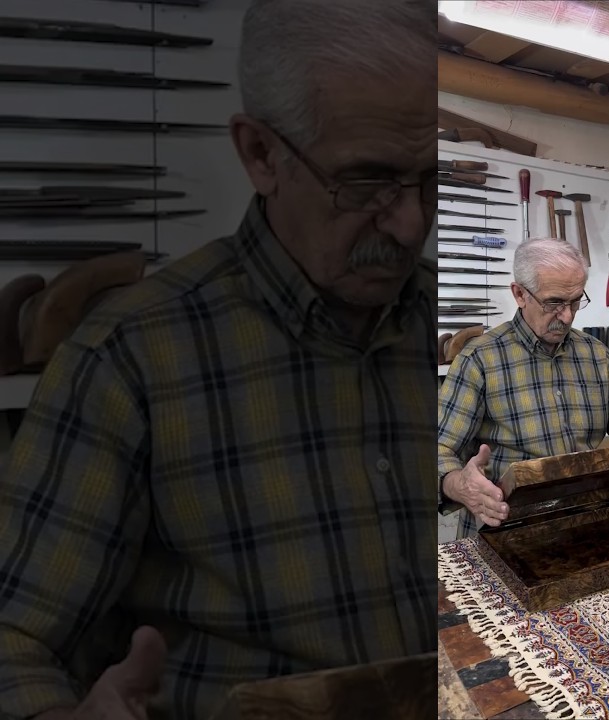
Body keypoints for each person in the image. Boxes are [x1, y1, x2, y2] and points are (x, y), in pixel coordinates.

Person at [0, 2, 437, 718]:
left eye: (428, 178)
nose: (411, 222)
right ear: (260, 154)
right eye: (366, 181)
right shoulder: (131, 359)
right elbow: (14, 636)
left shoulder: (438, 321)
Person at [437, 237, 609, 537]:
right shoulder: (480, 359)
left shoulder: (594, 354)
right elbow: (440, 448)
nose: (568, 316)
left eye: (575, 301)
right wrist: (458, 484)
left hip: (584, 519)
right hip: (503, 524)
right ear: (519, 294)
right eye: (554, 302)